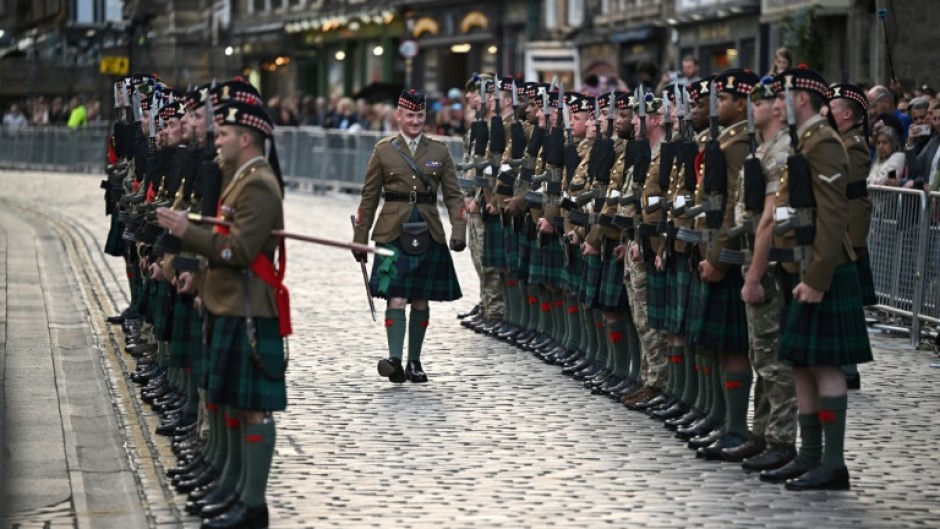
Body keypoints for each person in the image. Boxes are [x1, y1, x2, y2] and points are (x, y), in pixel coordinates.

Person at [157, 98, 288, 528]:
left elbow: (238, 249)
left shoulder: (259, 184)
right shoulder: (240, 178)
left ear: (246, 139)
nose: (218, 139)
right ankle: (233, 491)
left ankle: (253, 506)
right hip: (227, 300)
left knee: (251, 407)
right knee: (231, 400)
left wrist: (187, 234)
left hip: (248, 305)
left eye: (225, 134)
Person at [760, 67, 873, 491]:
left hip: (824, 268)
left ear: (801, 99)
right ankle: (808, 456)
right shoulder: (804, 140)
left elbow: (834, 215)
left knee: (826, 367)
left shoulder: (823, 142)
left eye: (781, 97)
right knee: (801, 364)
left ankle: (832, 462)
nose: (775, 104)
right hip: (799, 265)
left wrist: (818, 277)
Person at [352, 89, 467, 384]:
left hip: (428, 227)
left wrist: (458, 231)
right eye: (410, 115)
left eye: (420, 115)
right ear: (399, 116)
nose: (415, 121)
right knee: (396, 295)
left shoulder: (440, 150)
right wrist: (360, 238)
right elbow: (368, 198)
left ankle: (414, 361)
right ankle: (394, 359)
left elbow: (454, 196)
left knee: (420, 297)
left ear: (424, 116)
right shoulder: (383, 150)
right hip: (392, 229)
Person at [730, 76, 798, 470]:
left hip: (771, 265)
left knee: (773, 359)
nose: (753, 106)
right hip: (754, 255)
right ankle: (762, 433)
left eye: (760, 101)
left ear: (777, 107)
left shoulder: (781, 151)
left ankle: (781, 439)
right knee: (761, 355)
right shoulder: (763, 148)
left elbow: (770, 219)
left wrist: (755, 274)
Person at [828, 82, 876, 390]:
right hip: (836, 234)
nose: (827, 111)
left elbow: (856, 199)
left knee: (845, 305)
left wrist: (854, 243)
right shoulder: (838, 140)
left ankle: (848, 369)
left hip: (846, 238)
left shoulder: (853, 145)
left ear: (846, 113)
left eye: (832, 107)